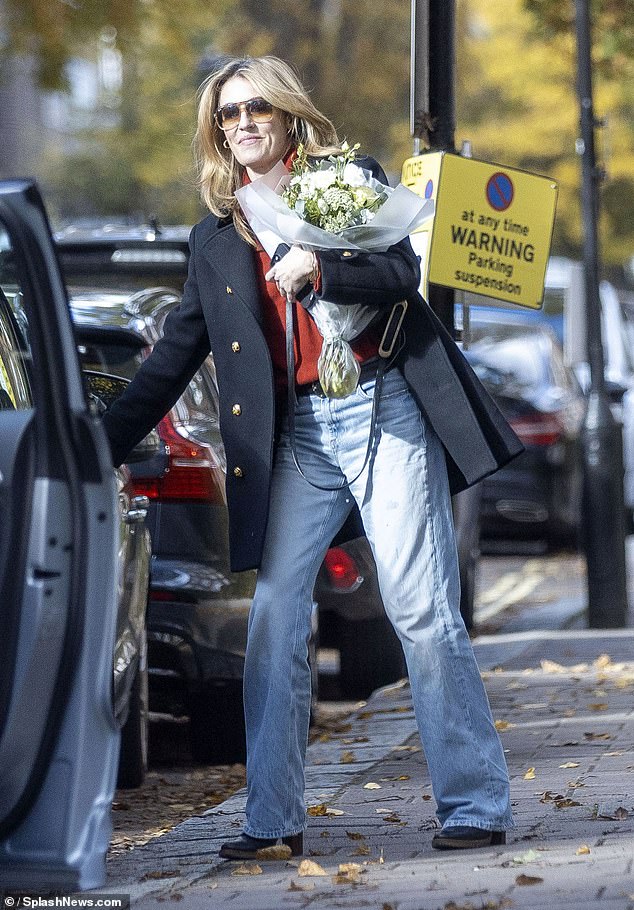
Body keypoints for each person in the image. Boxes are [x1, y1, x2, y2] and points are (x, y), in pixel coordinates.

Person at [103, 54, 523, 858]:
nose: (244, 123)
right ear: (216, 135)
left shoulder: (343, 177)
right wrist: (93, 445)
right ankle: (272, 821)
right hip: (298, 438)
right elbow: (172, 358)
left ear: (289, 114)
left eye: (257, 106)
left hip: (385, 408)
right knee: (273, 619)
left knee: (422, 609)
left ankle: (473, 802)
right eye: (228, 115)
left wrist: (322, 265)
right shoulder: (218, 239)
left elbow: (402, 271)